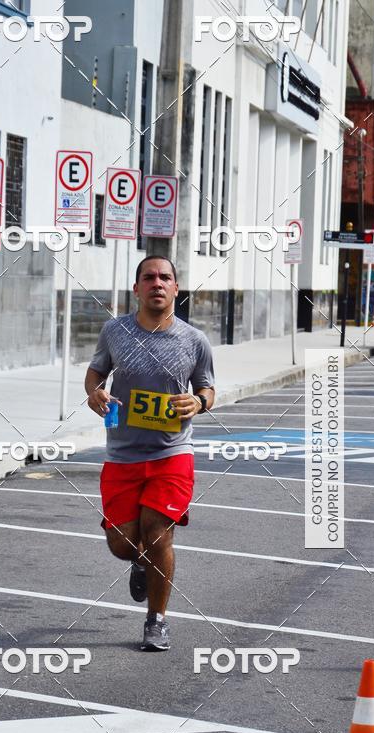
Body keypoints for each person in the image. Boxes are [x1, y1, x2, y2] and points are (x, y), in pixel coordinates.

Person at [85, 255, 215, 651]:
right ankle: (139, 563)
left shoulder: (194, 340)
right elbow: (95, 372)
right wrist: (95, 392)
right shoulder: (115, 331)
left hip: (171, 454)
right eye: (149, 278)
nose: (157, 283)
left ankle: (156, 620)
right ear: (137, 288)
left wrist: (199, 403)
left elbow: (207, 387)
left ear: (176, 288)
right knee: (122, 544)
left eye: (166, 278)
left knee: (158, 535)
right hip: (123, 455)